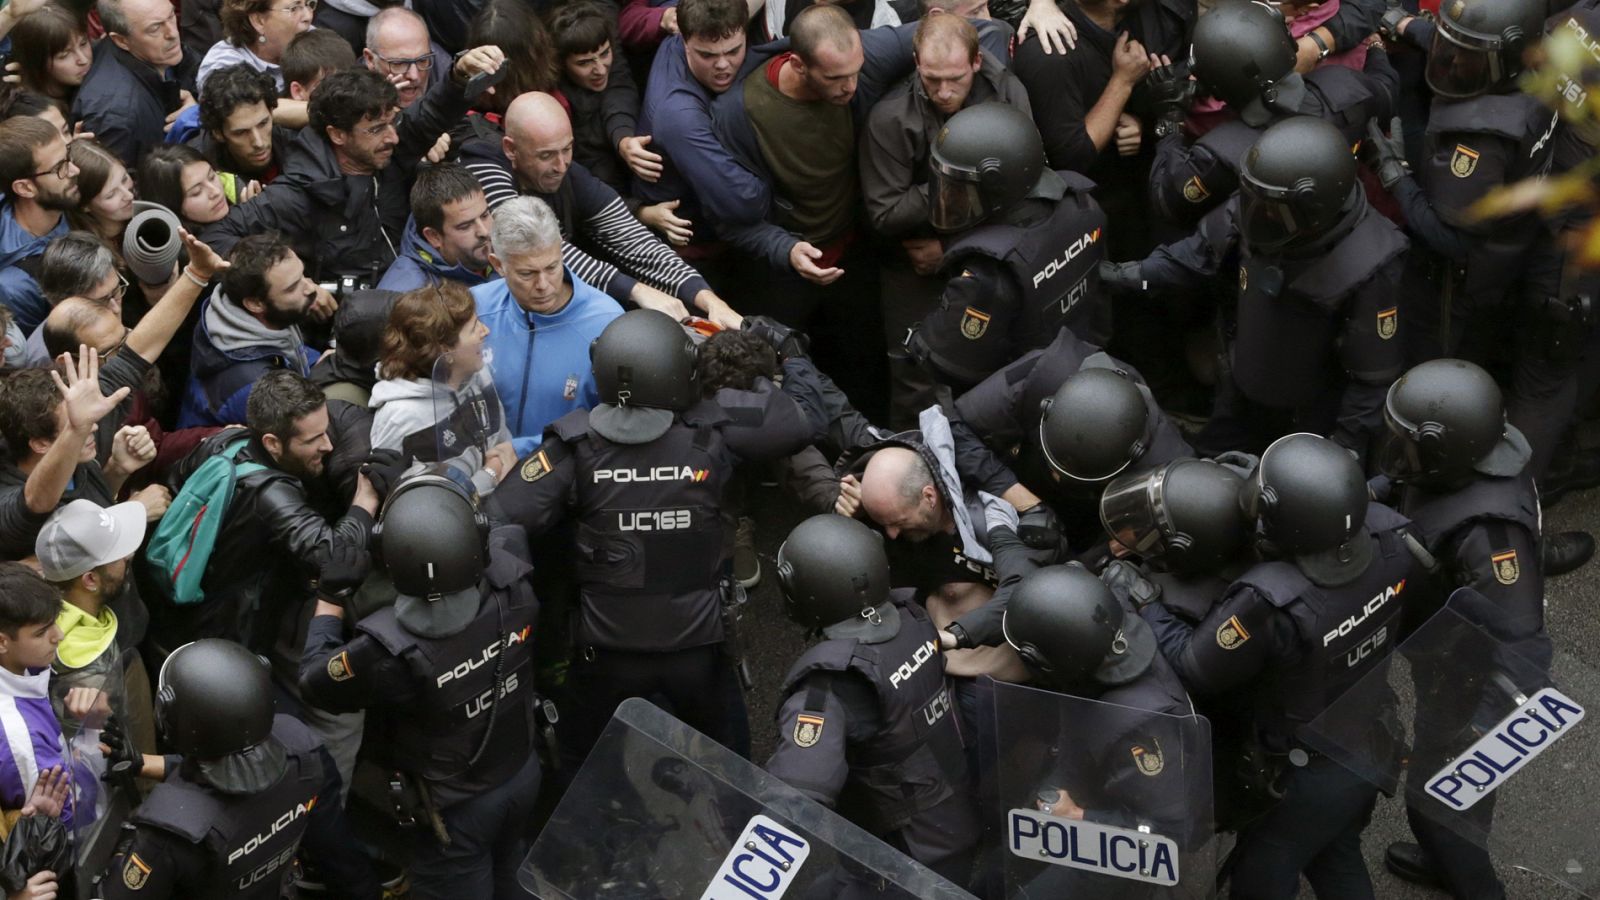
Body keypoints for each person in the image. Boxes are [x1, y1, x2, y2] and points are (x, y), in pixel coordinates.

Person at [487, 309, 821, 757]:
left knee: (584, 766)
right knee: (731, 768)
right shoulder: (715, 428)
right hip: (700, 652)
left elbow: (499, 516)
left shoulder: (574, 445)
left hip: (606, 655)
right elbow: (796, 421)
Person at [1139, 433, 1419, 899]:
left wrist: (1143, 601)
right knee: (1336, 853)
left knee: (1259, 880)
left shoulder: (1272, 599)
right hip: (1371, 737)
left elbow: (1195, 668)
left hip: (1300, 773)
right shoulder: (1392, 540)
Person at [1370, 0, 1596, 493]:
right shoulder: (1545, 61)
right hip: (1514, 253)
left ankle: (1459, 498)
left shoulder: (1484, 130)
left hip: (1469, 278)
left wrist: (1393, 173)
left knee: (1440, 386)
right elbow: (1484, 44)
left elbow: (1451, 238)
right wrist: (1409, 26)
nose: (1452, 60)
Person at [1375, 359, 1583, 894]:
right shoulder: (1471, 459)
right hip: (1445, 658)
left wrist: (1472, 743)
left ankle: (1467, 878)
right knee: (1447, 802)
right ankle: (1448, 856)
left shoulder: (1491, 534)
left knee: (1436, 800)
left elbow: (1522, 649)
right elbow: (1405, 487)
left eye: (1409, 443)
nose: (1398, 452)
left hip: (1465, 680)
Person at [298, 470, 542, 899]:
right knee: (511, 874)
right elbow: (496, 529)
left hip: (456, 811)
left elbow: (315, 681)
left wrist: (332, 595)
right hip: (522, 772)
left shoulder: (387, 649)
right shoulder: (513, 576)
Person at [1104, 116, 1408, 459]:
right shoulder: (1264, 200)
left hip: (1304, 419)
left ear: (1314, 211)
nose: (1256, 214)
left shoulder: (1370, 261)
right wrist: (1123, 275)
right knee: (1203, 466)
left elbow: (1372, 378)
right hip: (1239, 382)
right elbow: (1194, 257)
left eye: (1272, 210)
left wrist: (1342, 450)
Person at [766, 514, 981, 886]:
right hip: (955, 822)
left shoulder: (833, 683)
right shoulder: (915, 620)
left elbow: (797, 795)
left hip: (899, 865)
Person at [860, 13, 1031, 427]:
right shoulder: (891, 117)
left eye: (955, 78)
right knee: (918, 376)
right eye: (932, 78)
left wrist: (957, 240)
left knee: (996, 362)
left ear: (975, 62)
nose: (943, 91)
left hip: (986, 250)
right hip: (913, 265)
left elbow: (1026, 184)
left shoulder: (1005, 90)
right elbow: (885, 213)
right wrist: (963, 181)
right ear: (917, 61)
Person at [201, 55, 503, 287]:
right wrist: (281, 277)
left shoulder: (390, 149)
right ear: (338, 135)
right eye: (376, 129)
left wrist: (459, 74)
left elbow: (431, 113)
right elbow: (215, 238)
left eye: (390, 124)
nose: (393, 137)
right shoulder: (298, 194)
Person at [459, 91, 738, 325]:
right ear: (511, 149)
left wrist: (708, 299)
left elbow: (632, 239)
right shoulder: (482, 164)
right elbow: (537, 245)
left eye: (567, 149)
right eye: (545, 155)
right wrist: (636, 290)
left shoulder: (570, 174)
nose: (560, 165)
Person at [100, 639, 349, 899]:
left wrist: (125, 847)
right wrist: (146, 763)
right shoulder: (302, 749)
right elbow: (243, 769)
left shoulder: (171, 828)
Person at [160, 370, 379, 655]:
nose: (328, 445)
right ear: (272, 443)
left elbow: (175, 480)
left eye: (326, 430)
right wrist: (364, 501)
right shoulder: (268, 495)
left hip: (185, 605)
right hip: (226, 628)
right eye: (313, 439)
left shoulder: (224, 442)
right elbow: (333, 558)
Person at [1001, 563, 1200, 863]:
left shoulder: (1139, 726)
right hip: (1087, 778)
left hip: (1124, 845)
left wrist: (1077, 816)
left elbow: (1173, 831)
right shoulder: (1103, 629)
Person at [907, 103, 1110, 390]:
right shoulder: (1083, 206)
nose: (951, 200)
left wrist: (920, 337)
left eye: (961, 191)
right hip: (1087, 365)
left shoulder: (989, 272)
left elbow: (948, 362)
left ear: (999, 186)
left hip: (1022, 403)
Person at [1148, 0, 1396, 229]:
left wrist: (1169, 118)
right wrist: (1376, 48)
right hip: (1355, 229)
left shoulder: (1221, 153)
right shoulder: (1345, 86)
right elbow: (1386, 90)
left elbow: (1168, 201)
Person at [949, 332, 1192, 552]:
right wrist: (1015, 494)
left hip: (1091, 514)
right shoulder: (1045, 374)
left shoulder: (1162, 475)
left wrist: (1110, 550)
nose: (1058, 475)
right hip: (1017, 472)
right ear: (1049, 406)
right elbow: (952, 424)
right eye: (1057, 468)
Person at [469, 197, 622, 454]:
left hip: (570, 478)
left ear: (561, 251)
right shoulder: (474, 310)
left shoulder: (608, 322)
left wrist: (520, 450)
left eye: (552, 267)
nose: (543, 285)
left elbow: (617, 424)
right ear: (498, 265)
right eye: (527, 274)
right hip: (485, 471)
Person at [0, 353, 166, 560]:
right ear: (41, 444)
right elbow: (70, 559)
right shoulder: (7, 505)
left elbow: (137, 353)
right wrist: (132, 513)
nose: (93, 426)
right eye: (74, 425)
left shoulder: (82, 458)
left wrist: (117, 470)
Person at [369, 282, 516, 493]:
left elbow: (503, 444)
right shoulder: (400, 418)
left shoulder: (478, 375)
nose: (486, 331)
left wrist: (506, 459)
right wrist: (490, 474)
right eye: (474, 328)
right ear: (446, 350)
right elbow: (412, 501)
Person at [177, 233, 327, 428]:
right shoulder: (251, 387)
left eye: (303, 275)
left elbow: (285, 352)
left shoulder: (243, 317)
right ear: (255, 303)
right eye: (292, 288)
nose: (309, 288)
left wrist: (322, 362)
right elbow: (298, 437)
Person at [0, 564, 84, 830]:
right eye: (41, 633)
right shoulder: (22, 740)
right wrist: (91, 727)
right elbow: (58, 829)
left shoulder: (25, 661)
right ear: (2, 642)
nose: (58, 636)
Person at [37, 498, 148, 696]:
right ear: (90, 580)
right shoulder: (81, 665)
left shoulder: (41, 609)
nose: (128, 556)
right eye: (119, 555)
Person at [71, 0, 197, 168]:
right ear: (121, 40)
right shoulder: (118, 117)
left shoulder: (158, 54)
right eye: (155, 28)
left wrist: (200, 109)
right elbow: (124, 187)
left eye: (171, 15)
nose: (172, 33)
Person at [548, 2, 648, 194]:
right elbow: (592, 183)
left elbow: (621, 87)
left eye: (605, 54)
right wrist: (642, 213)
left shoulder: (614, 66)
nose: (601, 70)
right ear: (562, 64)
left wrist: (624, 139)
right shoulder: (564, 110)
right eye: (584, 63)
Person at [0, 116, 78, 334]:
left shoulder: (66, 196)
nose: (74, 170)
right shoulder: (16, 286)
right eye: (60, 167)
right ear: (25, 188)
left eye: (69, 155)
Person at [377, 163, 496, 292]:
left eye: (485, 215)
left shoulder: (508, 252)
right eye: (465, 226)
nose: (484, 232)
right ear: (434, 236)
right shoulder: (408, 295)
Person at [192, 64, 296, 186]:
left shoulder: (293, 140)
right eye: (241, 132)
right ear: (218, 133)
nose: (259, 143)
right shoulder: (198, 170)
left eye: (263, 123)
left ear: (272, 112)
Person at [197, 0, 314, 92]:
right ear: (258, 21)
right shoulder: (224, 63)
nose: (308, 16)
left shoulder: (310, 35)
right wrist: (318, 110)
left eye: (308, 3)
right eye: (294, 8)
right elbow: (240, 108)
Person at [361, 7, 453, 111]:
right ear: (370, 59)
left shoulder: (446, 75)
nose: (414, 76)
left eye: (422, 60)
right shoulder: (353, 99)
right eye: (399, 63)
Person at [136, 144, 245, 228]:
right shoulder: (191, 253)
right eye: (197, 192)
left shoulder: (239, 191)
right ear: (172, 206)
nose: (215, 191)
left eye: (212, 176)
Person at [64, 140, 135, 262]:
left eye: (124, 179)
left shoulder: (151, 213)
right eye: (111, 195)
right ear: (85, 206)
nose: (128, 195)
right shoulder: (84, 257)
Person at [8, 4, 93, 107]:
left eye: (83, 43)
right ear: (38, 61)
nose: (83, 60)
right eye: (64, 55)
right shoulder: (29, 109)